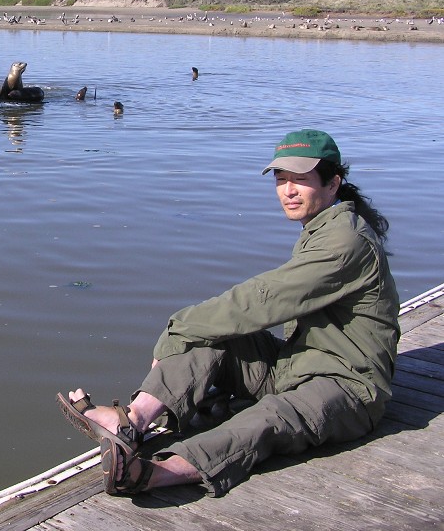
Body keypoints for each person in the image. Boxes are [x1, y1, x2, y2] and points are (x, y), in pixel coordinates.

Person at [57, 129, 400, 497]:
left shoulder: (345, 241)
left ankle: (157, 472)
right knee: (210, 336)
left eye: (300, 180)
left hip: (345, 386)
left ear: (334, 184)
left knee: (272, 416)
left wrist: (177, 328)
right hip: (294, 365)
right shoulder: (323, 227)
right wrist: (186, 334)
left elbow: (264, 299)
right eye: (282, 180)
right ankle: (132, 420)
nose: (288, 191)